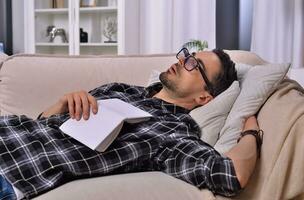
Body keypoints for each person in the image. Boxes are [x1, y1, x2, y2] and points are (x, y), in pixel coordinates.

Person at [0, 48, 262, 200]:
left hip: (10, 172)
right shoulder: (119, 89)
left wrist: (249, 129)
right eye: (187, 55)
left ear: (204, 97)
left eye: (195, 64)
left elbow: (230, 175)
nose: (182, 60)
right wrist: (62, 105)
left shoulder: (174, 131)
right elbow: (41, 124)